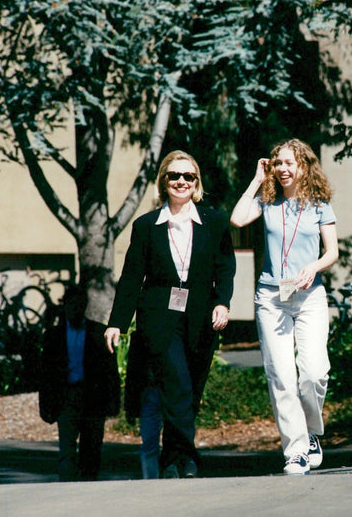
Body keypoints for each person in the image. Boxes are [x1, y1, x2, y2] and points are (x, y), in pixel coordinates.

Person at [104, 150, 236, 479]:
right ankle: (188, 458)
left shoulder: (215, 222)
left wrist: (223, 302)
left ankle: (172, 457)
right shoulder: (147, 226)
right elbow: (132, 277)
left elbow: (226, 268)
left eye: (188, 176)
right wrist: (117, 323)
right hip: (159, 319)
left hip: (201, 319)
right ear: (164, 181)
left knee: (190, 389)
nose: (181, 182)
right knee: (176, 384)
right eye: (174, 176)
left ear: (196, 183)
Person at [230, 138, 338, 475]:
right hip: (271, 298)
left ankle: (311, 432)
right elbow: (236, 219)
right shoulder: (268, 200)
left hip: (309, 297)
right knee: (281, 376)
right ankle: (295, 450)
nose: (283, 169)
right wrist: (257, 180)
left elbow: (332, 252)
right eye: (278, 164)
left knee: (314, 372)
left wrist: (314, 267)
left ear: (304, 165)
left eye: (289, 163)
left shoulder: (320, 203)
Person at [38, 283, 120, 482]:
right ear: (64, 306)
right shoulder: (53, 337)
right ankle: (66, 488)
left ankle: (88, 488)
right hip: (66, 396)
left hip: (92, 397)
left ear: (85, 306)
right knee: (67, 448)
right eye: (71, 304)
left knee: (91, 448)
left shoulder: (98, 333)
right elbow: (46, 375)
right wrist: (46, 407)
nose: (75, 309)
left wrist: (113, 402)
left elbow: (110, 372)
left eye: (79, 305)